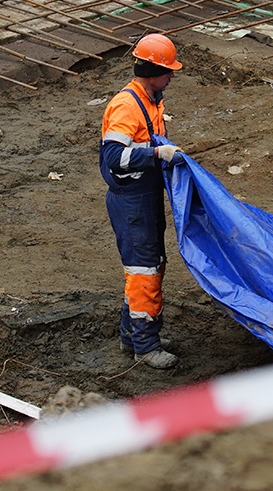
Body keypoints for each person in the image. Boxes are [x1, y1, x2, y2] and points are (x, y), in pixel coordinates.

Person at [98, 32, 186, 369]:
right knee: (143, 270)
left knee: (151, 265)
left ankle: (133, 334)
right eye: (168, 71)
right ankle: (145, 346)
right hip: (132, 200)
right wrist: (156, 154)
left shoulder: (150, 100)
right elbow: (113, 156)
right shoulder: (126, 105)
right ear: (152, 71)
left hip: (144, 196)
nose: (172, 76)